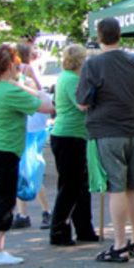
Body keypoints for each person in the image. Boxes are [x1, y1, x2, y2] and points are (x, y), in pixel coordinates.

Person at [76, 17, 134, 263]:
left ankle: (120, 244)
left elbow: (82, 103)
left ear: (100, 37)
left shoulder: (93, 65)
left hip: (107, 131)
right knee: (133, 187)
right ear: (119, 35)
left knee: (116, 188)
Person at [0, 44, 54, 266]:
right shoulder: (9, 91)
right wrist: (31, 87)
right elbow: (47, 106)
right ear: (11, 65)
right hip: (6, 149)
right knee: (5, 199)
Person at [49, 44, 99, 246]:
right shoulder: (70, 79)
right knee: (70, 187)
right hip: (69, 137)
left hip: (74, 136)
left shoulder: (67, 77)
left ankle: (84, 229)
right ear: (81, 61)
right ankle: (59, 230)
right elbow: (82, 104)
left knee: (80, 186)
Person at [10, 42, 52, 230]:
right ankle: (25, 213)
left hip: (30, 125)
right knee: (26, 169)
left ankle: (41, 211)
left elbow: (35, 93)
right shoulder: (26, 70)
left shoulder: (22, 72)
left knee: (29, 169)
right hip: (33, 124)